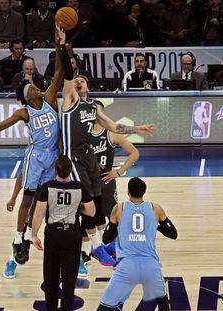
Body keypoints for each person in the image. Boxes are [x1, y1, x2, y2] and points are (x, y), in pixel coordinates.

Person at [0, 24, 64, 279]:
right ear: (28, 95)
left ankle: (41, 242)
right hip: (35, 157)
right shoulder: (25, 111)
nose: (36, 86)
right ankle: (17, 239)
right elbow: (0, 127)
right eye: (32, 87)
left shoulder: (48, 100)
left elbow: (58, 72)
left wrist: (58, 43)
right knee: (28, 200)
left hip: (53, 159)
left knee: (44, 205)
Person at [59, 27, 155, 270]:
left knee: (98, 206)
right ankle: (95, 247)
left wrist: (137, 129)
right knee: (88, 205)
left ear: (88, 87)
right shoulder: (69, 101)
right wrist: (62, 46)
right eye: (76, 81)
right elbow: (68, 74)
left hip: (89, 158)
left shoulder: (93, 108)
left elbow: (114, 127)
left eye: (82, 81)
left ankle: (99, 245)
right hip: (73, 159)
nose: (78, 82)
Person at [97, 177, 178, 311]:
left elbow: (106, 239)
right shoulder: (155, 208)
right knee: (163, 302)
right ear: (144, 192)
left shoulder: (119, 208)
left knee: (104, 307)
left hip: (126, 266)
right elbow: (173, 234)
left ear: (128, 192)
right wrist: (154, 225)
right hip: (150, 266)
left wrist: (117, 226)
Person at [32, 155, 95, 311]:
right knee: (69, 279)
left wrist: (34, 235)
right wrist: (75, 207)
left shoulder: (47, 187)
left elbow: (38, 214)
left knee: (50, 277)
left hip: (53, 235)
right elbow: (91, 211)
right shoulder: (79, 187)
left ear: (55, 170)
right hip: (72, 235)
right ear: (71, 170)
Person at [83, 101, 139, 263]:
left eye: (98, 111)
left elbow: (134, 153)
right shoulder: (83, 134)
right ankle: (86, 252)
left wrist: (119, 171)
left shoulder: (111, 133)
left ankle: (113, 248)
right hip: (87, 181)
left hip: (106, 182)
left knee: (111, 217)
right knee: (86, 218)